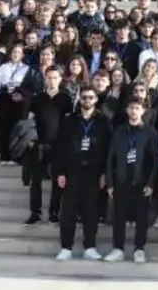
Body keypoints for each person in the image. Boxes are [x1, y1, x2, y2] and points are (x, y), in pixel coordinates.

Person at [53, 86, 111, 261]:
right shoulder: (69, 120)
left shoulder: (103, 121)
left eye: (90, 97)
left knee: (91, 211)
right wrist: (60, 172)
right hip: (72, 171)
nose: (87, 100)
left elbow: (109, 149)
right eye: (84, 97)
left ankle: (90, 247)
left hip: (94, 172)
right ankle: (66, 247)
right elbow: (60, 147)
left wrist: (105, 173)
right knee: (68, 211)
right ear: (80, 99)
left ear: (96, 100)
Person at [104, 98, 158, 263]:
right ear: (127, 111)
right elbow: (110, 158)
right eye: (131, 108)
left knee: (142, 217)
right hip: (121, 180)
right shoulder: (119, 131)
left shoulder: (150, 133)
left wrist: (151, 183)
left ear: (143, 111)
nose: (134, 111)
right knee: (118, 217)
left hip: (141, 181)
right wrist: (110, 183)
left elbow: (155, 161)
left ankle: (139, 249)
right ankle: (118, 248)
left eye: (137, 108)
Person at [26, 66, 72, 225]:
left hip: (58, 145)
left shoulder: (65, 99)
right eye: (49, 77)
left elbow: (68, 123)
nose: (52, 80)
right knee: (35, 180)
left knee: (57, 179)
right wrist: (31, 138)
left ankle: (54, 212)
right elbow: (30, 120)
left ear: (60, 80)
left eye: (55, 77)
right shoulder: (37, 98)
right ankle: (35, 213)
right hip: (39, 144)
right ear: (45, 79)